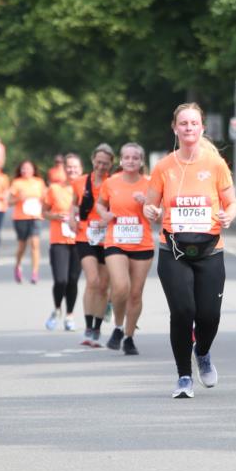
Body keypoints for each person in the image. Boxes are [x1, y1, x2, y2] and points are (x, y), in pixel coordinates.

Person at [144, 103, 236, 399]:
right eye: (183, 123)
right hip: (173, 250)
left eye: (193, 123)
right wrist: (151, 211)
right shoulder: (164, 167)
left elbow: (231, 202)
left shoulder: (216, 164)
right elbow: (149, 205)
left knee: (209, 315)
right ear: (175, 128)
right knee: (183, 312)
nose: (188, 128)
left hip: (210, 250)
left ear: (202, 128)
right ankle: (184, 376)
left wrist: (228, 215)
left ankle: (203, 352)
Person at [96, 142, 155, 356]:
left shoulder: (150, 184)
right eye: (127, 157)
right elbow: (100, 204)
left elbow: (160, 214)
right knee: (121, 287)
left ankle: (129, 337)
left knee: (136, 294)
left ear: (141, 161)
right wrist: (104, 214)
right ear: (121, 161)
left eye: (135, 158)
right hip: (116, 241)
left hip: (142, 243)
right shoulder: (111, 183)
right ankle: (118, 327)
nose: (131, 161)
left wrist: (147, 203)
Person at [71, 143, 114, 347]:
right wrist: (71, 218)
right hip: (85, 236)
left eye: (105, 163)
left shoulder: (113, 183)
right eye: (98, 162)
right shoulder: (80, 182)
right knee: (93, 280)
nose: (101, 166)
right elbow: (73, 204)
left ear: (111, 164)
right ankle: (88, 326)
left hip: (108, 238)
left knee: (103, 285)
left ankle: (97, 327)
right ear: (92, 160)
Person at [43, 169, 79, 331]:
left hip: (79, 240)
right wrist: (55, 216)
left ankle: (69, 315)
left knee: (72, 280)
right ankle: (57, 309)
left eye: (75, 167)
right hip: (59, 240)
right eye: (69, 167)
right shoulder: (54, 189)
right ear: (64, 170)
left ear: (80, 169)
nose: (72, 170)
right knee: (60, 280)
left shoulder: (85, 188)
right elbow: (44, 212)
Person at [8, 161, 46, 284]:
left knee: (35, 244)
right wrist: (19, 198)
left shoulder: (39, 182)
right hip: (20, 217)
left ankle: (35, 272)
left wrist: (44, 201)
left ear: (33, 170)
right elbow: (9, 202)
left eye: (28, 168)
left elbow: (45, 198)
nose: (25, 171)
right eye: (23, 169)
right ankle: (18, 265)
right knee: (22, 246)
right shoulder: (17, 183)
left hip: (36, 216)